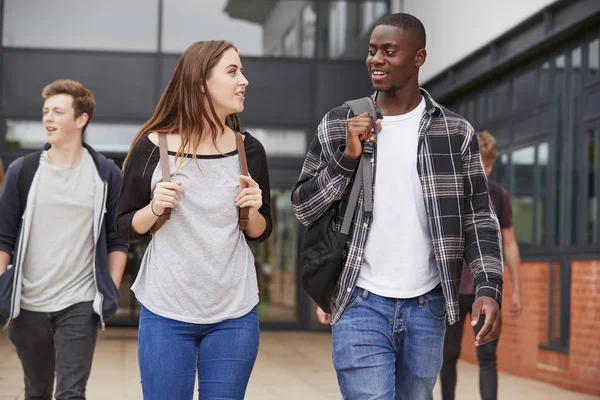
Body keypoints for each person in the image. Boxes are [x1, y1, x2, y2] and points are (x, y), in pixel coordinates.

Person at [291, 13, 503, 399]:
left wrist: (489, 286)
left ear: (419, 57)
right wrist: (346, 158)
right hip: (359, 300)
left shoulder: (455, 133)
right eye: (372, 51)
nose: (376, 60)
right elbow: (303, 208)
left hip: (429, 307)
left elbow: (479, 219)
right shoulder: (340, 122)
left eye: (389, 52)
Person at [115, 40, 272, 400]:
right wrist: (154, 208)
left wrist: (252, 211)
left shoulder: (249, 150)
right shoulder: (153, 147)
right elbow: (124, 226)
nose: (243, 80)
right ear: (201, 83)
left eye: (242, 71)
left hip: (234, 313)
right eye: (232, 71)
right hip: (166, 311)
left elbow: (261, 232)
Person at [0, 79, 129, 399]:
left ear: (81, 119)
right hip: (28, 304)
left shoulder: (105, 174)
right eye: (46, 112)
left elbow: (117, 239)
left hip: (79, 304)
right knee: (38, 391)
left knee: (71, 392)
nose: (48, 118)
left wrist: (108, 292)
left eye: (58, 112)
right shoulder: (24, 171)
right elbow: (3, 236)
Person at [441, 130, 522, 400]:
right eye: (479, 164)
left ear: (491, 164)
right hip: (451, 289)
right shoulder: (449, 192)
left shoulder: (499, 197)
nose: (482, 170)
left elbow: (509, 243)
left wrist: (517, 290)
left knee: (487, 356)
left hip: (485, 291)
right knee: (448, 355)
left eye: (487, 166)